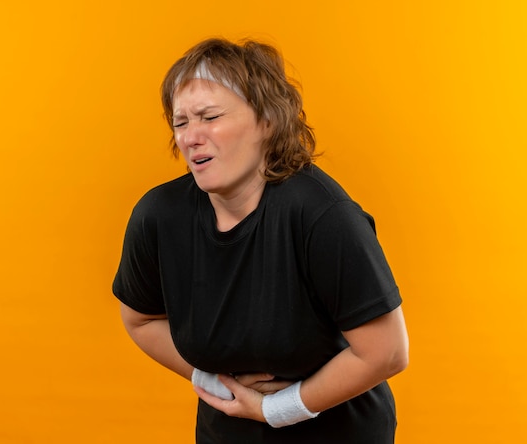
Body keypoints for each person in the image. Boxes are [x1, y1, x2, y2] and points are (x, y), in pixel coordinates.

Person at [113, 37, 409, 443]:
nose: (190, 137)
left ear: (267, 120)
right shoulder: (159, 216)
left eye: (209, 116)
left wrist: (274, 410)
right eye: (180, 122)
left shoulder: (322, 215)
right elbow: (140, 318)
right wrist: (216, 384)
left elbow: (387, 351)